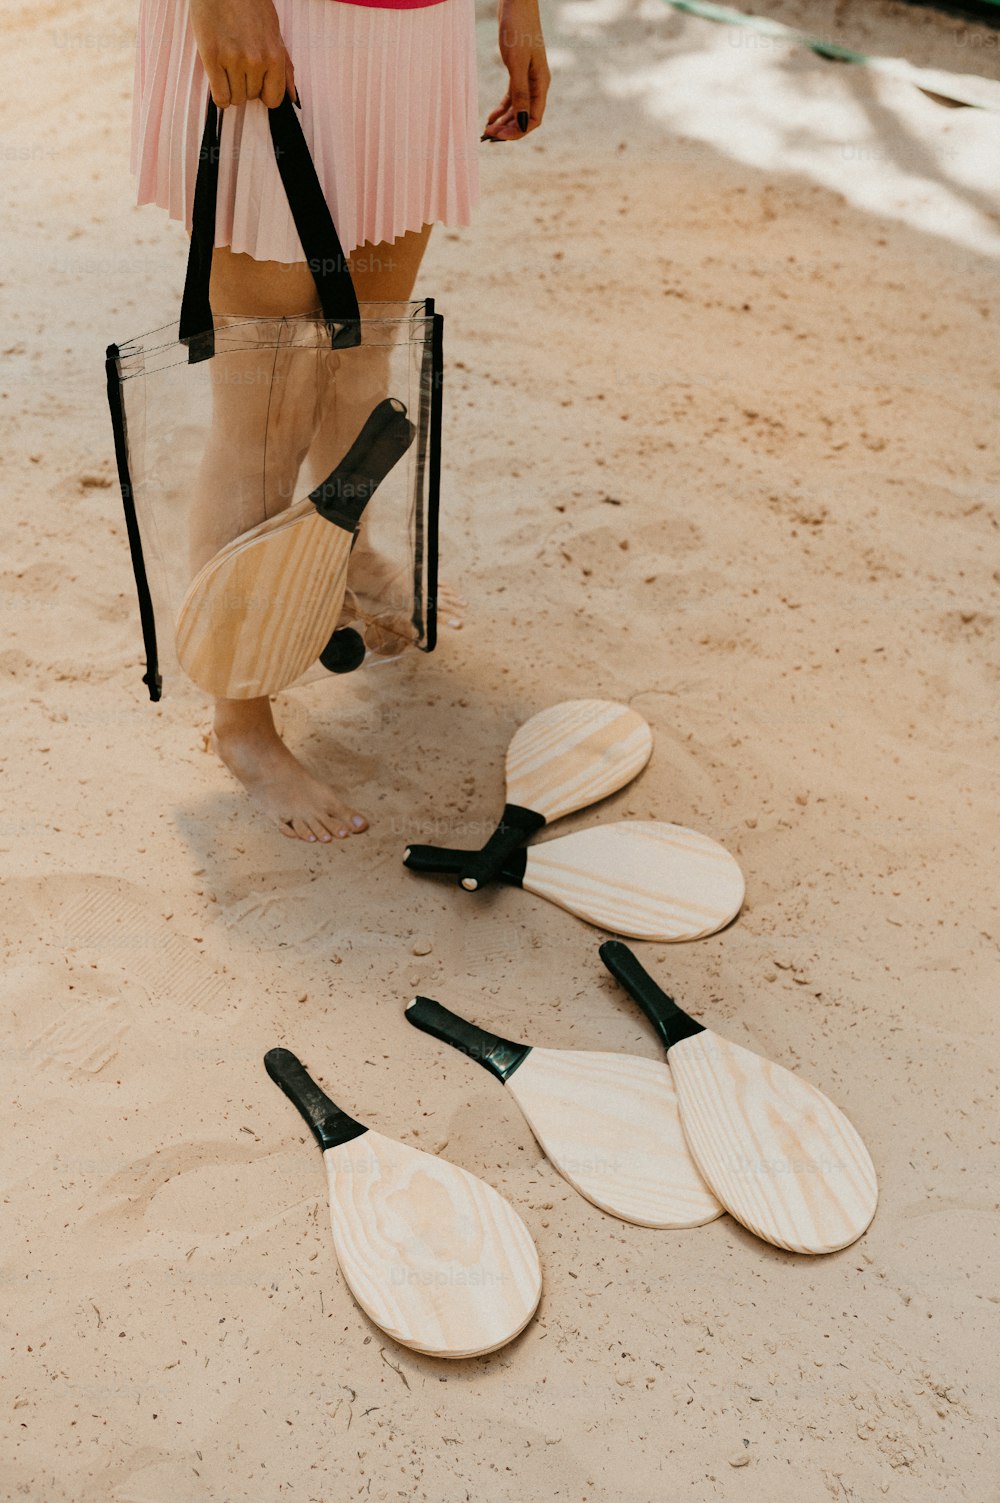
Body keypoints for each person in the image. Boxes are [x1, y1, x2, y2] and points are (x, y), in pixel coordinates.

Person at [130, 0, 549, 842]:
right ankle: (242, 725)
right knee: (268, 398)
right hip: (282, 18)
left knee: (363, 351)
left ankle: (345, 557)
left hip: (415, 31)